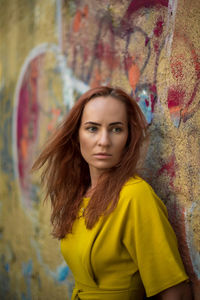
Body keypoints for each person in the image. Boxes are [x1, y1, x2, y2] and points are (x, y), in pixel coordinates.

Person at [32, 86, 192, 299]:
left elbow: (176, 294)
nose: (104, 141)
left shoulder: (135, 196)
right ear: (76, 135)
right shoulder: (79, 193)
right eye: (92, 128)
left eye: (116, 129)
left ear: (128, 137)